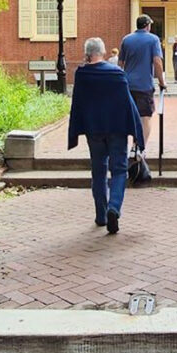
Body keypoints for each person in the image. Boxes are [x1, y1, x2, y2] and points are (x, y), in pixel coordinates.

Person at [67, 37, 144, 234]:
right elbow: (128, 103)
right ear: (102, 52)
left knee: (98, 171)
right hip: (117, 129)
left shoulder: (82, 74)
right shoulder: (117, 74)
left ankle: (101, 215)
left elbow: (77, 103)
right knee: (119, 170)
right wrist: (137, 132)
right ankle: (114, 208)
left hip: (94, 130)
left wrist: (76, 129)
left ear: (87, 53)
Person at [118, 14, 166, 149]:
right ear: (147, 25)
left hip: (127, 84)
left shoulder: (126, 40)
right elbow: (157, 61)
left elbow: (120, 63)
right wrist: (161, 82)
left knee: (130, 117)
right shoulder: (153, 39)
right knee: (145, 117)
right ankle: (139, 147)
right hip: (144, 85)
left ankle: (130, 145)